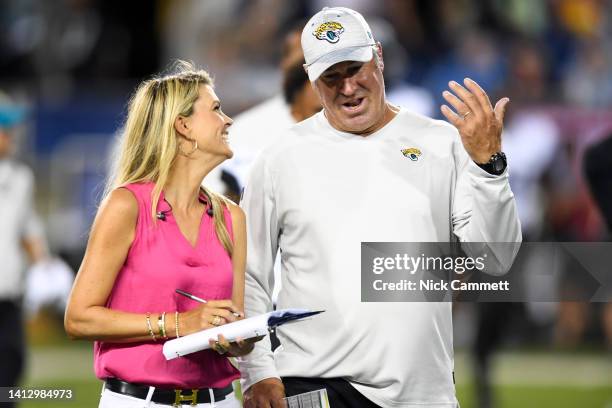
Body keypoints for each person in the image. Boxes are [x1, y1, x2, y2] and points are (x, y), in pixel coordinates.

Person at [239, 7, 521, 408]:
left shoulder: (442, 143)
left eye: (356, 68)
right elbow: (249, 275)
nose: (348, 87)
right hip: (314, 382)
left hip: (423, 393)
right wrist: (258, 373)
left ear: (380, 57)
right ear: (311, 79)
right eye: (331, 77)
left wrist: (489, 169)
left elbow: (496, 258)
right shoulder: (280, 157)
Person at [64, 62, 260, 408]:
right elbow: (79, 317)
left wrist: (237, 337)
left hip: (220, 401)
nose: (228, 120)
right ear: (183, 126)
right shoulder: (127, 205)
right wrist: (181, 323)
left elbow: (236, 323)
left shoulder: (231, 216)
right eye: (215, 109)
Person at [0, 92, 49, 408]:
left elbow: (28, 232)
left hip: (8, 302)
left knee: (10, 383)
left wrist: (45, 269)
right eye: (5, 129)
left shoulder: (19, 177)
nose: (11, 137)